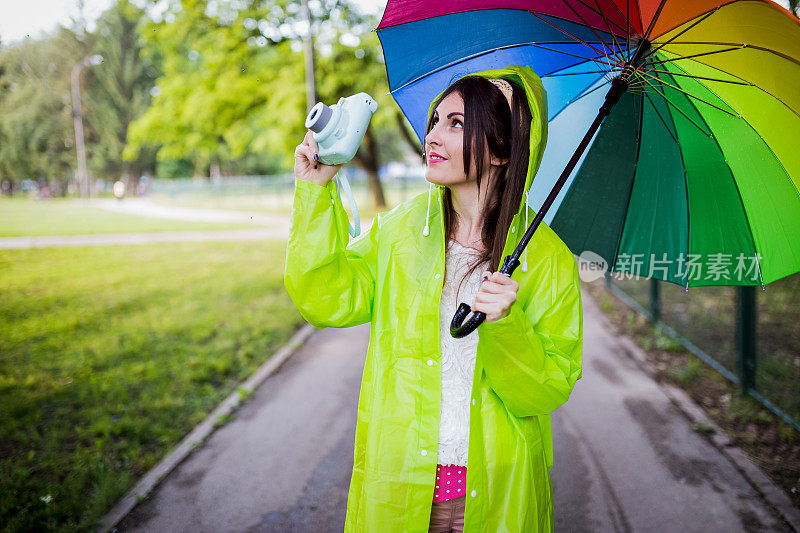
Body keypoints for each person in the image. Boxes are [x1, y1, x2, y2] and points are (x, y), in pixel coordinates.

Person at [285, 65, 583, 532]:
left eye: (457, 123)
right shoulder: (402, 231)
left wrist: (506, 324)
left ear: (502, 151)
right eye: (436, 119)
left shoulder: (547, 259)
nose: (433, 135)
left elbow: (546, 389)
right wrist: (313, 192)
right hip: (401, 480)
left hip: (497, 489)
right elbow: (325, 298)